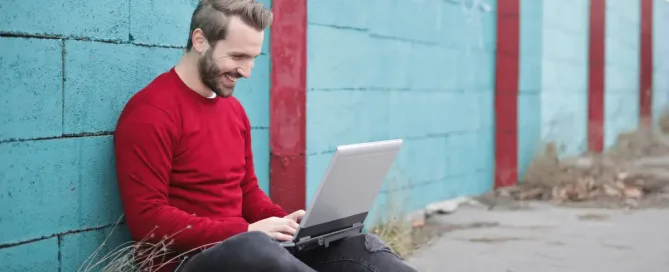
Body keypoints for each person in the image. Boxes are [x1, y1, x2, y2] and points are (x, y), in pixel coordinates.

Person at [113, 0, 418, 271]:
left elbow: (247, 191)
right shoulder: (151, 113)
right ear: (200, 41)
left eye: (253, 58)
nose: (247, 71)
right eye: (238, 56)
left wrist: (286, 223)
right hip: (189, 260)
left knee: (362, 247)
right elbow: (147, 220)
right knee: (254, 248)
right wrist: (245, 231)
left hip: (249, 248)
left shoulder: (234, 112)